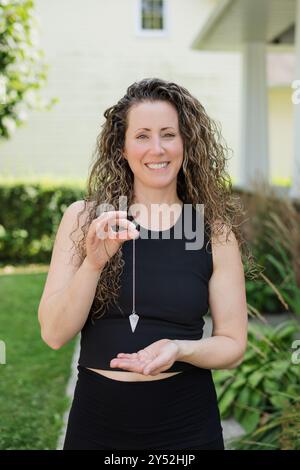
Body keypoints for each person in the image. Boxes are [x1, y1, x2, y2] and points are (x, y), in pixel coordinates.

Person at [38, 77, 250, 450]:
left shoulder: (212, 230)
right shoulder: (86, 218)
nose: (157, 148)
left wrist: (180, 348)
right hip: (98, 424)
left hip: (186, 424)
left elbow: (232, 344)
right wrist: (93, 263)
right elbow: (54, 334)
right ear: (121, 147)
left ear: (187, 143)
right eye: (142, 136)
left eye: (169, 134)